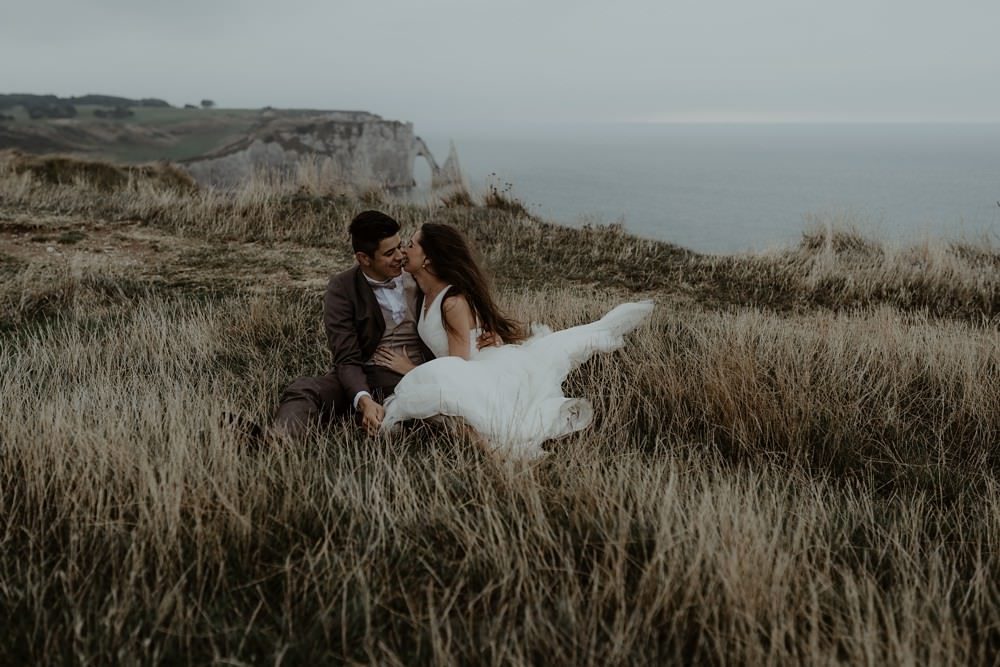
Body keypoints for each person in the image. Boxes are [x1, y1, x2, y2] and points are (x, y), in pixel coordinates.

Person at [374, 223, 654, 459]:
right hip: (469, 365)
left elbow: (456, 367)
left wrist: (408, 368)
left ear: (428, 259)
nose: (403, 250)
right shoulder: (424, 292)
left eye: (410, 245)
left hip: (476, 370)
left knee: (462, 417)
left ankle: (498, 457)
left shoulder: (452, 302)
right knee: (439, 414)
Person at [271, 210, 434, 438]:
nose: (400, 256)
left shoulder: (419, 274)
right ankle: (278, 441)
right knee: (303, 389)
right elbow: (346, 357)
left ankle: (380, 420)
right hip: (363, 374)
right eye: (389, 253)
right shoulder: (342, 288)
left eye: (399, 246)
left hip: (412, 374)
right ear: (364, 258)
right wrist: (364, 398)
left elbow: (460, 299)